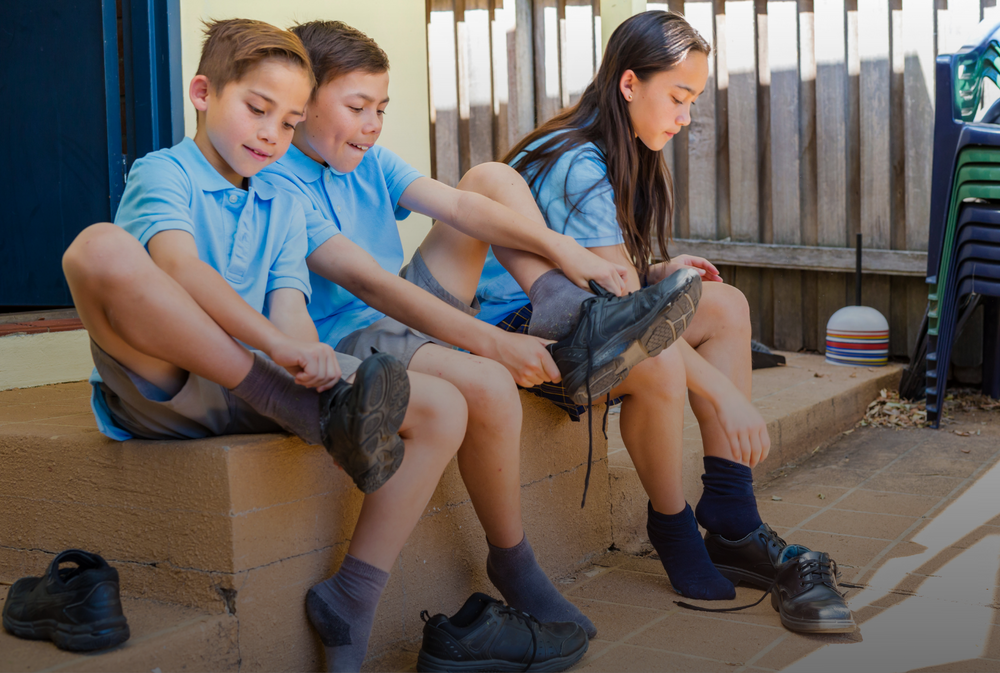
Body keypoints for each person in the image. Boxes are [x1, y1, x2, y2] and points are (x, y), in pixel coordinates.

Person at [259, 19, 702, 666]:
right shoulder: (279, 181)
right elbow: (371, 286)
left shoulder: (368, 160)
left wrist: (562, 250)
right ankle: (509, 560)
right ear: (303, 103)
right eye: (357, 108)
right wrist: (490, 342)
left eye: (381, 108)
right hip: (349, 336)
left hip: (398, 314)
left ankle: (563, 306)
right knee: (490, 385)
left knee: (490, 178)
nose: (373, 125)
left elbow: (461, 209)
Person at [62, 19, 469, 672]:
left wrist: (313, 359)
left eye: (289, 122)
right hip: (170, 384)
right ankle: (295, 405)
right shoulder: (164, 172)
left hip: (268, 383)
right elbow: (180, 270)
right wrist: (277, 351)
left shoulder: (283, 198)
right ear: (203, 93)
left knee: (445, 407)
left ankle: (353, 596)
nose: (272, 134)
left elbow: (289, 302)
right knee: (98, 248)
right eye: (257, 109)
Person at [476, 10, 819, 604]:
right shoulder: (577, 160)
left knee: (726, 305)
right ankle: (673, 525)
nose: (686, 117)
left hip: (581, 315)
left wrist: (655, 269)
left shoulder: (620, 149)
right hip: (523, 325)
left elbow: (611, 280)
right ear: (629, 83)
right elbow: (628, 314)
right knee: (656, 358)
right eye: (678, 98)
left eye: (693, 102)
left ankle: (733, 513)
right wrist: (727, 396)